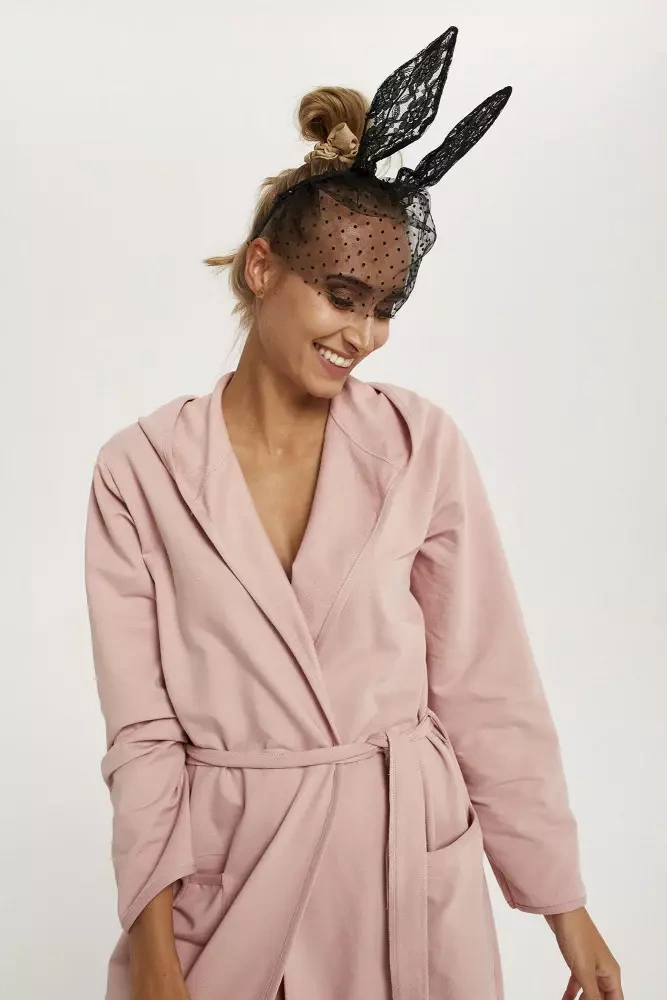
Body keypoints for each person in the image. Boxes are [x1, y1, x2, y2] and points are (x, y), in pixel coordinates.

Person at [84, 26, 622, 1000]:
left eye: (385, 307)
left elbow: (487, 685)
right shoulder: (140, 473)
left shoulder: (420, 446)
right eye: (342, 296)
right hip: (229, 884)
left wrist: (564, 907)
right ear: (261, 267)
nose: (364, 334)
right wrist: (154, 952)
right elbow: (143, 733)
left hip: (401, 870)